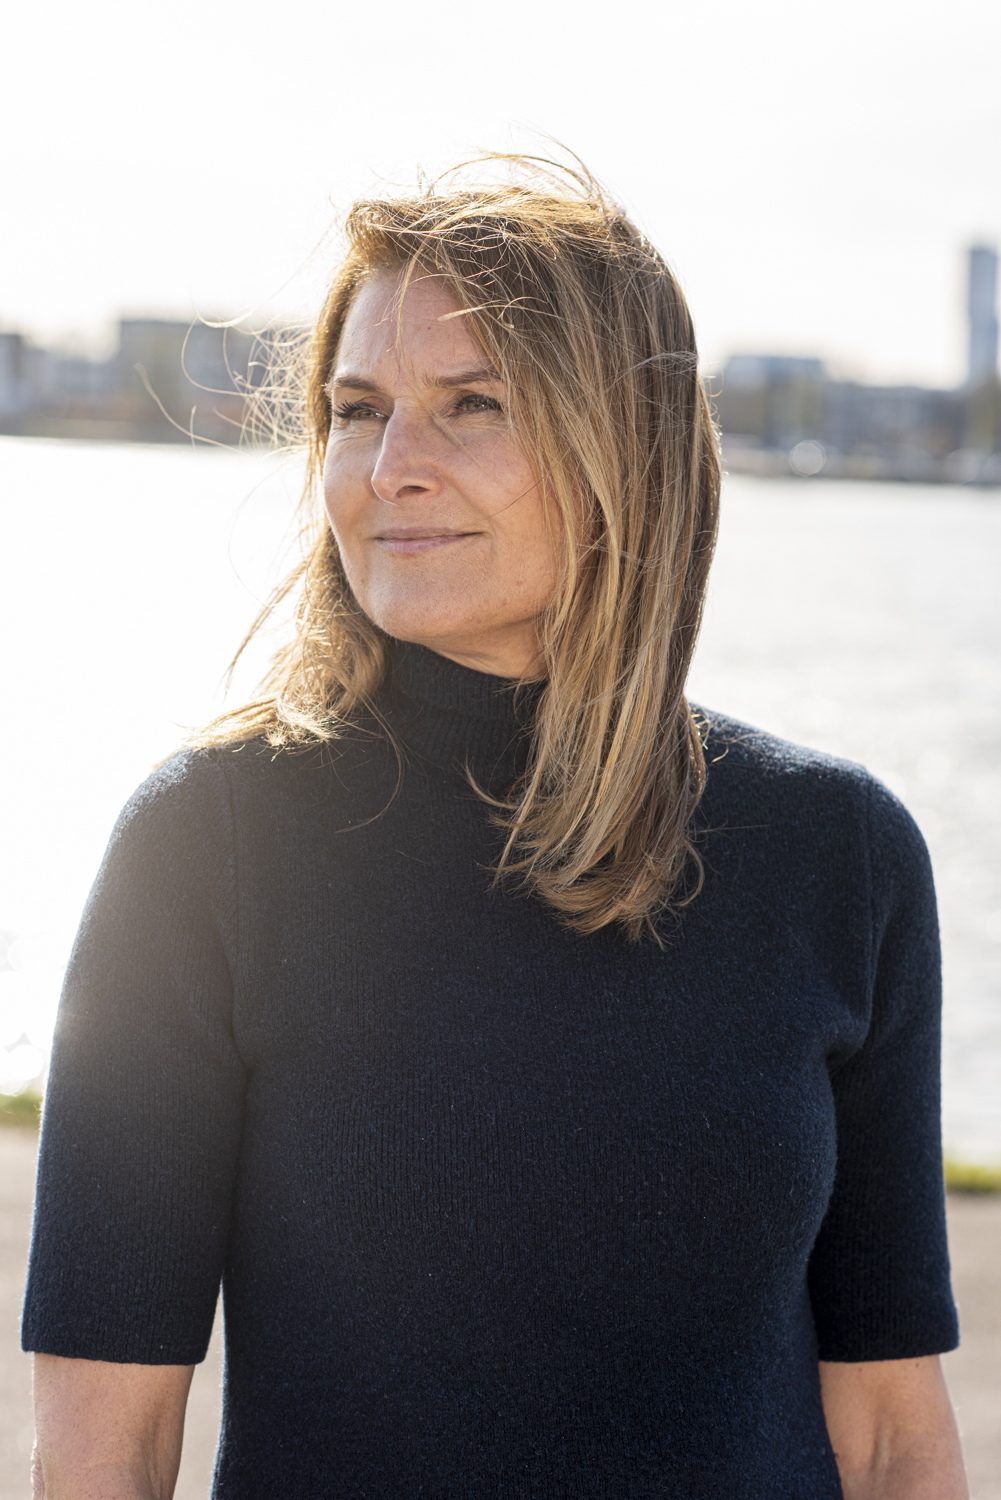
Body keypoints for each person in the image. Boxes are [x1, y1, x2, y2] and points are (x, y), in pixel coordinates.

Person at [23, 157, 967, 1499]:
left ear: (624, 448)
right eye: (358, 410)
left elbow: (890, 1435)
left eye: (473, 405)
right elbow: (102, 1452)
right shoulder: (209, 847)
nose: (391, 468)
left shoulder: (838, 852)